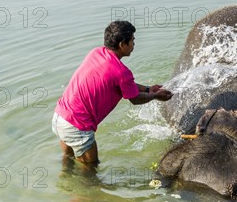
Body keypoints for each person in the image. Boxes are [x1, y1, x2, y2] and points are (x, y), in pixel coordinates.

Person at [52, 21, 173, 165]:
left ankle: (63, 184)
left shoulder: (96, 52)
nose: (134, 44)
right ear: (122, 44)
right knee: (90, 170)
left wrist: (148, 89)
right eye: (132, 40)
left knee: (67, 162)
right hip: (77, 126)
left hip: (60, 117)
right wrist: (155, 96)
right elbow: (134, 99)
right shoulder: (122, 72)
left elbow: (123, 85)